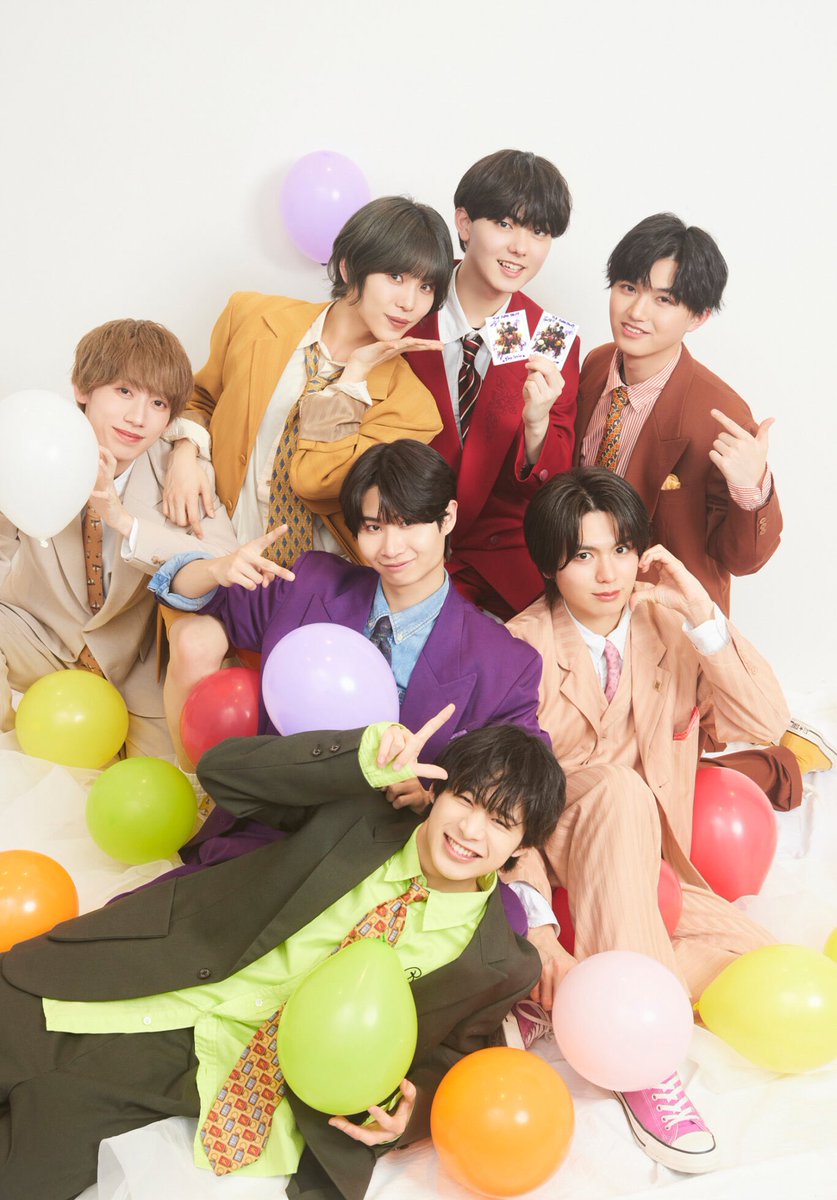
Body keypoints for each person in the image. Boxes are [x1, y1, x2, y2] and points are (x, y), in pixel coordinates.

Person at [0, 715, 565, 1200]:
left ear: (522, 846)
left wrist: (407, 1117)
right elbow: (222, 774)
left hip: (227, 1075)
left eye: (500, 822)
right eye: (465, 799)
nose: (470, 830)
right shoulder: (360, 814)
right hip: (150, 975)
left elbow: (452, 1058)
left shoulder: (501, 964)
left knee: (33, 1165)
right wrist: (360, 755)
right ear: (438, 791)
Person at [506, 467, 787, 1174]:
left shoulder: (671, 625)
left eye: (622, 549)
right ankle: (641, 1062)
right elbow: (502, 804)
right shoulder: (519, 648)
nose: (609, 573)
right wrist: (536, 927)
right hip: (557, 857)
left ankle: (576, 995)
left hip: (648, 875)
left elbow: (765, 723)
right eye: (583, 555)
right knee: (618, 789)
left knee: (764, 970)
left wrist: (701, 611)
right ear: (550, 562)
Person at [151, 439, 548, 859]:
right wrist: (216, 567)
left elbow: (525, 784)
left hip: (387, 853)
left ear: (447, 517)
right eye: (374, 527)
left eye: (408, 524)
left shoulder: (505, 663)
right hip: (266, 830)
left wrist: (432, 801)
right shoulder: (314, 583)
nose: (391, 548)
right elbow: (197, 598)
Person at [574, 211, 810, 808]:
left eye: (664, 299)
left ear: (698, 316)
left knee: (642, 779)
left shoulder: (718, 413)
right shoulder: (596, 365)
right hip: (585, 596)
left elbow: (741, 558)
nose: (637, 311)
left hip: (660, 620)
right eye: (628, 287)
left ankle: (777, 762)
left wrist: (753, 489)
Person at [161, 195, 453, 565]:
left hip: (322, 584)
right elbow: (201, 398)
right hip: (217, 554)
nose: (409, 303)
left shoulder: (412, 407)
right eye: (396, 277)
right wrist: (184, 454)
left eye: (426, 287)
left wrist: (351, 382)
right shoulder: (251, 317)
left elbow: (316, 483)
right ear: (348, 268)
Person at [0, 319, 236, 757]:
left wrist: (126, 523)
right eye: (124, 391)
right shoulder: (35, 446)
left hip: (135, 667)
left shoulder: (182, 473)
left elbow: (224, 559)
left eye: (158, 403)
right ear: (82, 389)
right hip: (40, 638)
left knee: (169, 782)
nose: (138, 418)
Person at [406, 149, 579, 619]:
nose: (521, 247)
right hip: (399, 545)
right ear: (464, 223)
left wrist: (537, 425)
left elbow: (554, 488)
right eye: (505, 224)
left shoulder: (548, 335)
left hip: (499, 568)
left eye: (539, 232)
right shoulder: (408, 301)